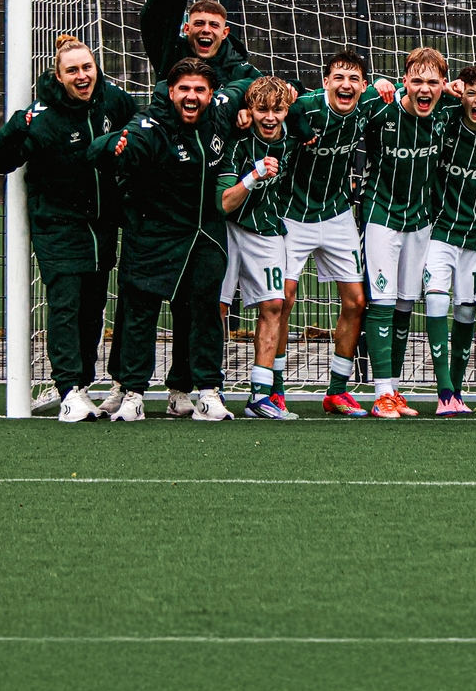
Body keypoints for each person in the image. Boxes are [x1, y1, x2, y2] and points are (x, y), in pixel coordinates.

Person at [89, 57, 253, 422]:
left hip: (204, 234)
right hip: (153, 235)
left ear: (212, 93)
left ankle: (202, 391)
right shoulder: (150, 126)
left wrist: (281, 93)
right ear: (171, 91)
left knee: (204, 313)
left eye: (199, 90)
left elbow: (246, 85)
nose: (191, 96)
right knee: (140, 312)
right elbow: (100, 149)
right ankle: (132, 393)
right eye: (184, 89)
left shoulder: (223, 111)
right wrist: (115, 148)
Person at [0, 35, 137, 421]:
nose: (82, 75)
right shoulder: (42, 116)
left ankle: (83, 385)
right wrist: (18, 125)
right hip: (59, 225)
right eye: (73, 70)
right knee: (66, 304)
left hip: (102, 225)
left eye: (87, 67)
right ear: (59, 75)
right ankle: (67, 389)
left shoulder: (113, 98)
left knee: (92, 308)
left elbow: (137, 123)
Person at [280, 49, 395, 417]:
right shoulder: (306, 108)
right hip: (293, 214)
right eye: (339, 78)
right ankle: (275, 389)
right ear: (326, 81)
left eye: (354, 79)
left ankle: (337, 391)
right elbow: (278, 102)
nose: (346, 85)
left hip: (337, 213)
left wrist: (385, 84)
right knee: (283, 300)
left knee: (357, 302)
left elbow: (401, 91)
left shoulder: (368, 103)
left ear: (362, 85)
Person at [360, 48, 453, 418]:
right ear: (404, 82)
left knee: (404, 305)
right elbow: (342, 101)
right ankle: (381, 392)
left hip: (421, 220)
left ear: (444, 85)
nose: (425, 88)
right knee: (381, 302)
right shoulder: (383, 108)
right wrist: (372, 88)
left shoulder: (447, 111)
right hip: (381, 216)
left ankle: (394, 390)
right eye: (417, 80)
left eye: (433, 81)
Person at [425, 66, 476, 417]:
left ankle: (456, 391)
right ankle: (444, 391)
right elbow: (419, 95)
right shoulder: (446, 120)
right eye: (471, 92)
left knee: (466, 309)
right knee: (436, 302)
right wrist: (445, 88)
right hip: (440, 232)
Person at [215, 75, 297, 419]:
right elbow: (223, 203)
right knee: (216, 308)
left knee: (275, 305)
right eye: (261, 109)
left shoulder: (295, 140)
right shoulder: (236, 145)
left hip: (267, 231)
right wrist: (252, 177)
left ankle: (260, 395)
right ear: (249, 110)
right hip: (228, 231)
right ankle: (211, 386)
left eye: (276, 110)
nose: (269, 117)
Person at [139, 0, 261, 87]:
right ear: (187, 29)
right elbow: (151, 19)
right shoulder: (170, 54)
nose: (206, 30)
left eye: (214, 25)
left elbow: (271, 93)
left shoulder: (240, 70)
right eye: (199, 23)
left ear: (225, 33)